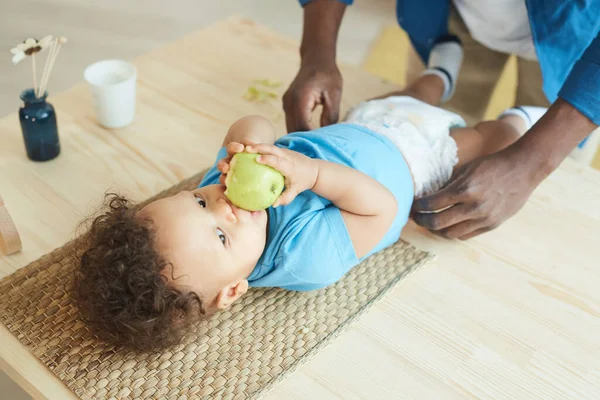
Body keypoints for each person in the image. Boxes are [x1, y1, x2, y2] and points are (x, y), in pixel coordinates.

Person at [74, 40, 547, 350]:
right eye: (221, 236)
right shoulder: (305, 258)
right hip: (419, 160)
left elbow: (251, 125)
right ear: (234, 290)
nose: (225, 204)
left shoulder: (221, 186)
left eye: (197, 201)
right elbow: (380, 208)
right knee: (483, 140)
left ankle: (440, 72)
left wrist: (250, 146)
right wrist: (313, 173)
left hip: (363, 124)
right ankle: (523, 118)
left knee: (410, 93)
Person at [285, 0, 600, 239]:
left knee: (413, 97)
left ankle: (503, 106)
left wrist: (534, 160)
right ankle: (455, 81)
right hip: (420, 147)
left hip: (578, 32)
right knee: (469, 138)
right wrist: (317, 52)